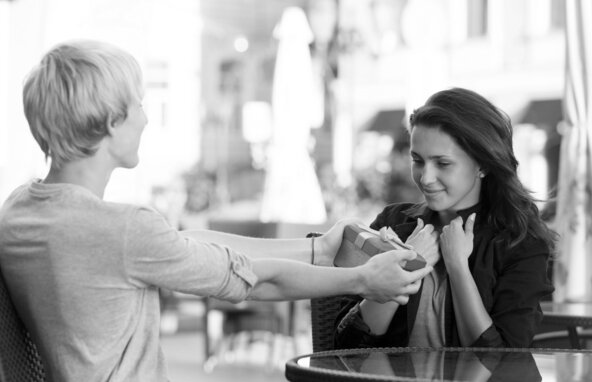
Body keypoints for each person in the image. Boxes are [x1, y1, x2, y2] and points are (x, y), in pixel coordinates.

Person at [0, 40, 432, 382]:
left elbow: (187, 246)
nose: (146, 119)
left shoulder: (20, 213)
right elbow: (253, 281)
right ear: (112, 122)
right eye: (139, 104)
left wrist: (319, 248)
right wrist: (362, 279)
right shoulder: (126, 231)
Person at [334, 87, 555, 349]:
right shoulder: (392, 224)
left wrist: (458, 266)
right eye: (418, 160)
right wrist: (404, 270)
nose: (425, 178)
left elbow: (502, 359)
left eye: (443, 163)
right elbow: (344, 347)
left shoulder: (520, 242)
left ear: (482, 164)